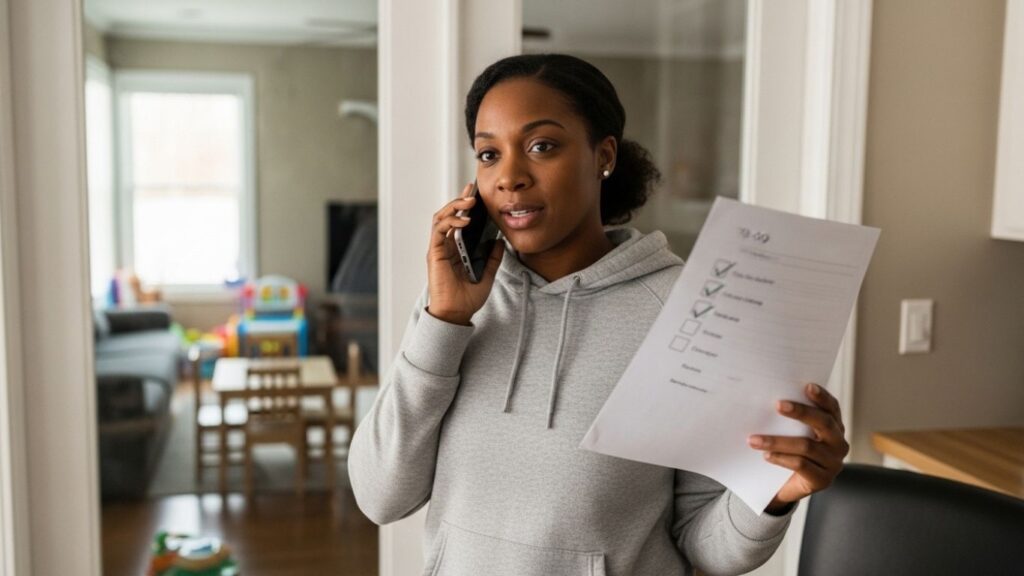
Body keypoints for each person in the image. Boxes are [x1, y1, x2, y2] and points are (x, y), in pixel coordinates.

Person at [349, 53, 849, 576]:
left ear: (602, 155)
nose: (510, 177)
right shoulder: (454, 303)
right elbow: (381, 497)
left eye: (542, 146)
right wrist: (443, 320)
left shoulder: (684, 311)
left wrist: (776, 492)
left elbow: (707, 548)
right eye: (489, 154)